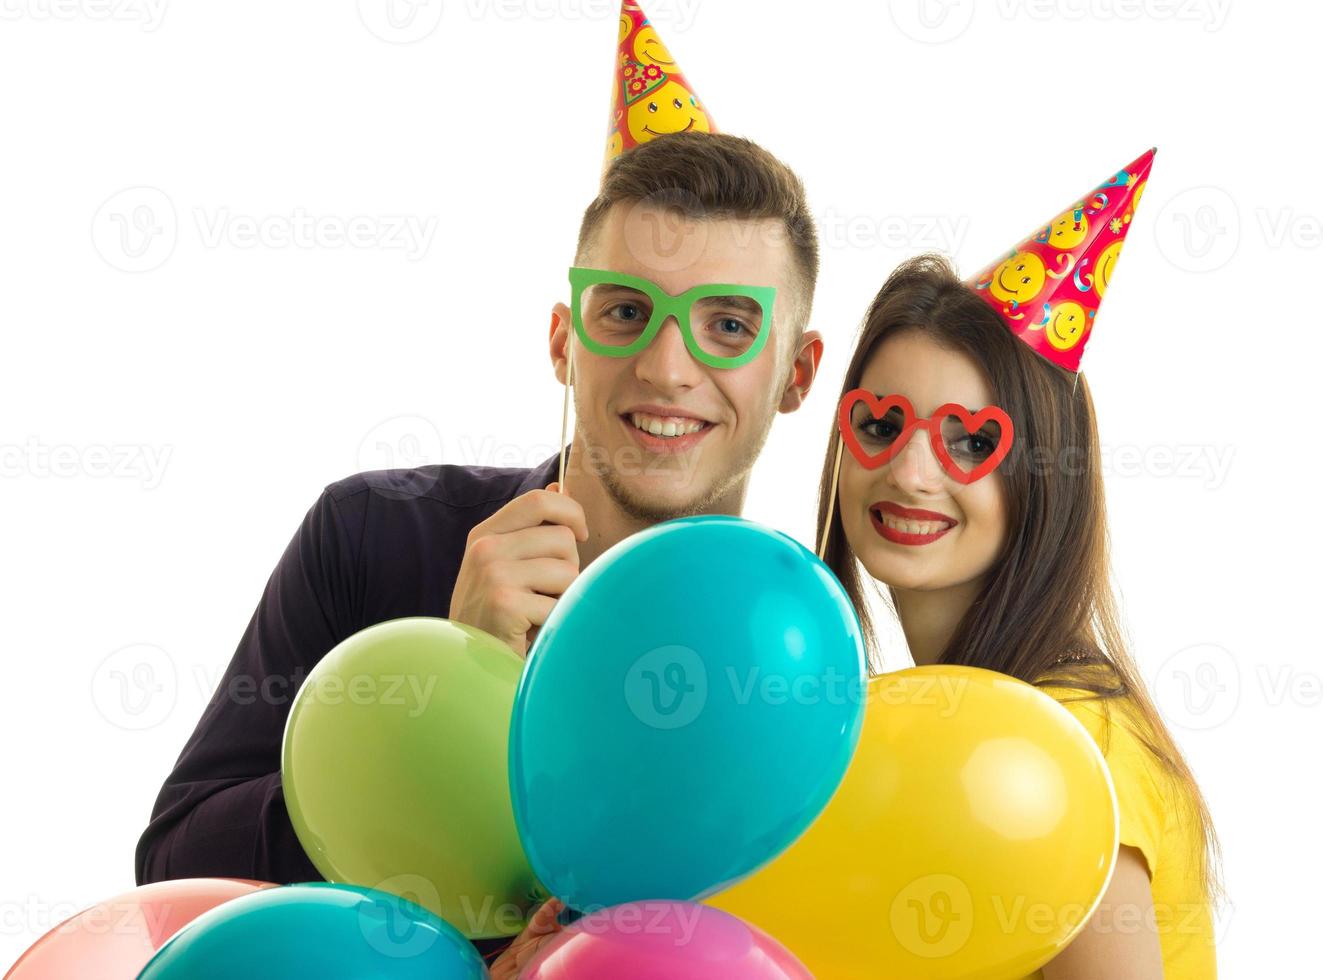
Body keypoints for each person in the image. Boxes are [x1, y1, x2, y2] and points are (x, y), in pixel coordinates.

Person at [134, 124, 824, 965]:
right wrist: (440, 693)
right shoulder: (371, 532)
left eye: (728, 325)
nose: (667, 367)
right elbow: (174, 867)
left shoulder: (795, 674)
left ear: (796, 373)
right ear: (563, 340)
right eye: (627, 312)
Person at [809, 153, 1222, 979]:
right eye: (882, 425)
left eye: (970, 442)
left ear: (1041, 476)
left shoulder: (1071, 746)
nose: (912, 471)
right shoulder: (931, 729)